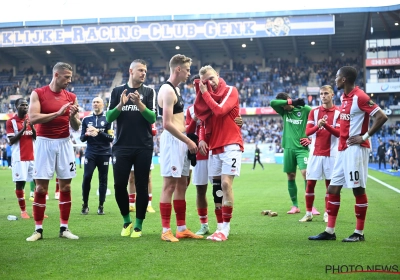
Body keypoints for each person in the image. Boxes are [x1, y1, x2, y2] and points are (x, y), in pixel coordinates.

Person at [309, 66, 388, 242]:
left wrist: (364, 136)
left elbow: (381, 116)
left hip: (356, 149)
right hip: (343, 149)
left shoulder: (360, 97)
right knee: (332, 188)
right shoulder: (344, 98)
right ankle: (330, 231)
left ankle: (359, 233)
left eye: (337, 76)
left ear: (344, 79)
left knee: (358, 189)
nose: (335, 79)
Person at [26, 62, 81, 241]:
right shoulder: (39, 93)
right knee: (41, 188)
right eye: (66, 77)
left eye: (70, 77)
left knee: (65, 186)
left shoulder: (71, 96)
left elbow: (77, 126)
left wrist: (72, 117)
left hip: (64, 142)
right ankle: (38, 230)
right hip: (44, 143)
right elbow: (33, 118)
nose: (69, 80)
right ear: (56, 75)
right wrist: (58, 113)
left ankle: (64, 228)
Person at [106, 59, 156, 238]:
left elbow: (152, 119)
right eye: (140, 70)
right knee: (119, 184)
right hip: (121, 146)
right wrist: (121, 104)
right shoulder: (117, 91)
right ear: (131, 71)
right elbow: (109, 117)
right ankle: (126, 220)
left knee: (142, 186)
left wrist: (140, 104)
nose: (143, 73)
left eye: (145, 71)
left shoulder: (149, 92)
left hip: (143, 146)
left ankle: (138, 225)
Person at [193, 65, 244, 241]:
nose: (211, 82)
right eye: (206, 81)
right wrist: (201, 138)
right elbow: (202, 121)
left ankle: (226, 228)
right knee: (216, 190)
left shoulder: (231, 90)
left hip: (231, 144)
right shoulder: (206, 100)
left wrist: (205, 93)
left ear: (218, 75)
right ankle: (219, 227)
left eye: (212, 78)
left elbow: (220, 111)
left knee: (225, 184)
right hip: (214, 148)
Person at [157, 54, 201, 242]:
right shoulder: (167, 91)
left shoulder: (176, 90)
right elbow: (166, 123)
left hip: (181, 141)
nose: (188, 73)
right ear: (178, 69)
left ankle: (181, 228)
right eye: (187, 69)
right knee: (169, 185)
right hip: (173, 142)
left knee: (182, 183)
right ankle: (166, 230)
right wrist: (188, 141)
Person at [299, 85, 340, 223]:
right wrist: (319, 125)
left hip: (331, 154)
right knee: (310, 184)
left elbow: (339, 133)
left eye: (326, 93)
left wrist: (326, 125)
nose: (323, 96)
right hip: (315, 154)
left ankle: (327, 214)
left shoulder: (339, 113)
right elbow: (308, 132)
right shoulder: (314, 112)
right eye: (321, 94)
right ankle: (309, 213)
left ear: (332, 95)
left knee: (330, 186)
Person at [270, 93, 316, 214]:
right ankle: (295, 206)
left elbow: (317, 123)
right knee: (290, 176)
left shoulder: (305, 110)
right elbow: (272, 103)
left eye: (285, 104)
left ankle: (310, 206)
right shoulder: (284, 111)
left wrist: (311, 139)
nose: (284, 107)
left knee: (306, 174)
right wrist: (292, 102)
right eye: (283, 105)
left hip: (302, 148)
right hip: (288, 148)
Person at [80, 97, 114, 215]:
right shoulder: (86, 119)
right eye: (93, 102)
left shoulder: (108, 119)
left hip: (104, 153)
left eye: (98, 102)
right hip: (91, 153)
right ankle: (85, 204)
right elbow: (82, 138)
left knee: (103, 179)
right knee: (86, 177)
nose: (95, 104)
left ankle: (101, 206)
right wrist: (87, 133)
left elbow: (111, 138)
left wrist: (98, 132)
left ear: (103, 105)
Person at [6, 98, 36, 219]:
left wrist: (32, 127)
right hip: (19, 158)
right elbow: (11, 141)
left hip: (33, 157)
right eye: (22, 105)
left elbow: (36, 137)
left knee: (37, 183)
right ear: (16, 107)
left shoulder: (31, 119)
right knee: (20, 184)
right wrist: (23, 129)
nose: (25, 107)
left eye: (26, 105)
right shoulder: (11, 122)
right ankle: (23, 211)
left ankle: (36, 211)